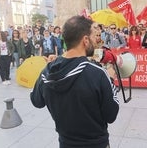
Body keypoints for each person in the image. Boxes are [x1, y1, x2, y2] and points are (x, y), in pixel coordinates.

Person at [30, 15, 119, 148]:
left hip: (65, 143)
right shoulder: (98, 74)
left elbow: (36, 101)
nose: (96, 41)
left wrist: (48, 67)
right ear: (85, 40)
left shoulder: (47, 72)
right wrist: (111, 80)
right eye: (94, 37)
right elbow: (111, 115)